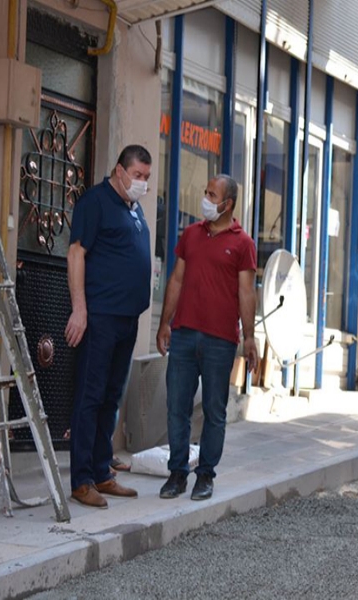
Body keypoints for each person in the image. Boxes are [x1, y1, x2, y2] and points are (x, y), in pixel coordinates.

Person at [157, 174, 258, 501]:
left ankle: (205, 475)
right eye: (205, 191)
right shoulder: (190, 234)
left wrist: (250, 338)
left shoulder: (243, 244)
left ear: (227, 204)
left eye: (211, 195)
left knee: (215, 411)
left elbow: (246, 293)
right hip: (184, 335)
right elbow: (175, 280)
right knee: (176, 407)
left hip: (220, 341)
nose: (205, 198)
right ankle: (177, 473)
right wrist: (164, 323)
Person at [65, 144, 153, 509]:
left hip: (126, 320)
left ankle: (103, 471)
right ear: (119, 171)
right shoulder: (95, 202)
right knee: (90, 396)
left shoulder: (134, 208)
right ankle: (82, 479)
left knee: (112, 397)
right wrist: (79, 309)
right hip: (99, 316)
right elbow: (76, 254)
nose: (142, 183)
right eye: (137, 176)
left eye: (146, 177)